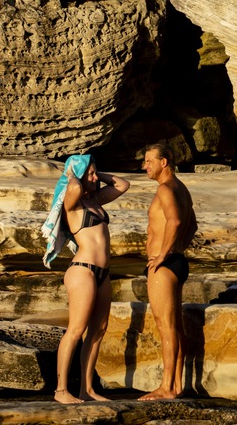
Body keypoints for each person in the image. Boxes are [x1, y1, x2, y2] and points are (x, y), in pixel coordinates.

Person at [42, 154, 129, 403]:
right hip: (83, 270)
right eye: (90, 173)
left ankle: (87, 390)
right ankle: (61, 390)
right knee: (77, 329)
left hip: (103, 272)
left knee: (99, 330)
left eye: (95, 173)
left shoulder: (95, 200)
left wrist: (96, 174)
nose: (94, 177)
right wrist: (74, 174)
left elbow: (123, 185)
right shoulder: (74, 203)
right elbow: (75, 187)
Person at [139, 142, 198, 400]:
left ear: (165, 162)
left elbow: (175, 221)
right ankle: (176, 384)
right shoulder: (180, 188)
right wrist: (177, 249)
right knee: (175, 327)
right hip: (177, 262)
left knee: (165, 326)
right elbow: (192, 225)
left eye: (149, 160)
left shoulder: (165, 188)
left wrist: (162, 254)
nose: (145, 166)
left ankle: (167, 387)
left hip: (163, 266)